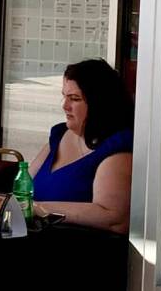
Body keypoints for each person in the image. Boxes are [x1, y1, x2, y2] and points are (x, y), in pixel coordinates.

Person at [30, 59, 133, 234]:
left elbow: (114, 218)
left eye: (75, 99)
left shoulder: (117, 148)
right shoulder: (59, 135)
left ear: (98, 103)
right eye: (64, 96)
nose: (65, 106)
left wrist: (41, 209)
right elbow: (24, 188)